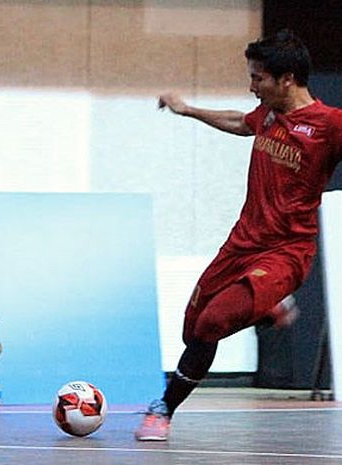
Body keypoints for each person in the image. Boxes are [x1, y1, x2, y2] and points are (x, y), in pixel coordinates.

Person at [135, 29, 342, 441]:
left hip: (286, 253)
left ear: (286, 79)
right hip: (241, 244)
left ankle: (163, 408)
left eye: (258, 78)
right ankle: (267, 308)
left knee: (213, 322)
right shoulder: (267, 114)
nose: (251, 86)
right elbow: (238, 122)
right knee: (192, 330)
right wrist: (187, 110)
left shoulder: (329, 124)